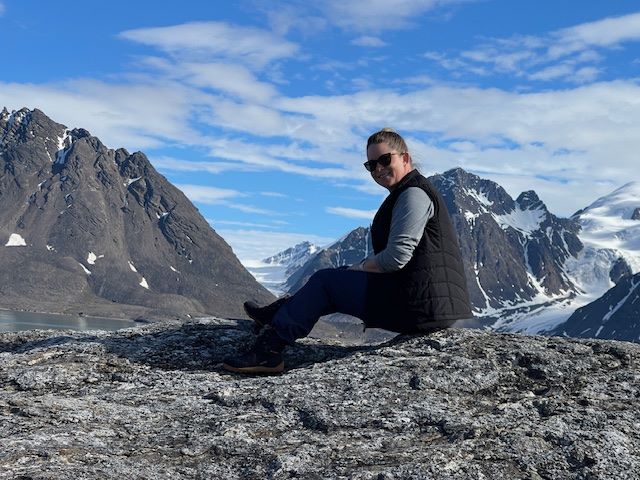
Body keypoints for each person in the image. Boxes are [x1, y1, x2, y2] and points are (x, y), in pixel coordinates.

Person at [223, 128, 472, 374]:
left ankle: (268, 351)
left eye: (385, 160)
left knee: (326, 283)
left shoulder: (413, 194)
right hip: (424, 301)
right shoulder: (409, 191)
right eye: (371, 165)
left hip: (421, 307)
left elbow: (396, 257)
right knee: (336, 277)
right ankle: (276, 315)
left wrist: (362, 266)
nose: (378, 169)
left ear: (404, 158)